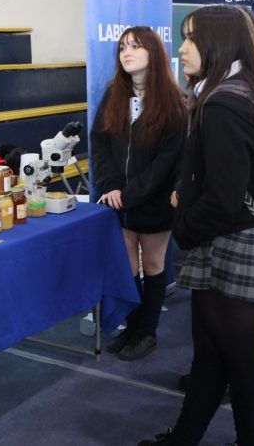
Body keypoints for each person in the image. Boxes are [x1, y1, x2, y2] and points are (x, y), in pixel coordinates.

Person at [140, 5, 254, 446]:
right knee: (210, 355)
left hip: (233, 241)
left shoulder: (224, 102)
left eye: (190, 38)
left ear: (218, 44)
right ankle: (184, 436)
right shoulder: (240, 89)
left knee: (242, 365)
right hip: (230, 237)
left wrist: (184, 224)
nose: (181, 48)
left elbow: (225, 196)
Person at [91, 26, 187, 361]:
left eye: (135, 46)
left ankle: (147, 332)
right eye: (122, 48)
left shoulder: (175, 103)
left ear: (154, 53)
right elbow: (100, 142)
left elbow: (167, 162)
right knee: (128, 265)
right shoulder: (113, 94)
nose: (126, 53)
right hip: (120, 201)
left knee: (154, 264)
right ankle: (132, 328)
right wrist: (111, 184)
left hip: (154, 203)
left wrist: (130, 193)